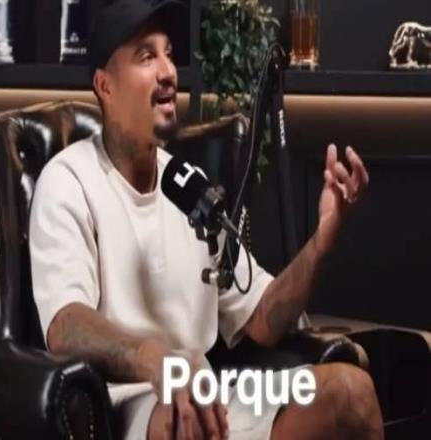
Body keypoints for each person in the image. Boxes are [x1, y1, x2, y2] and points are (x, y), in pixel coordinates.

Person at [29, 0, 384, 438]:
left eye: (169, 54)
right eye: (146, 56)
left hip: (213, 395)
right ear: (105, 85)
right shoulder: (68, 180)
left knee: (352, 392)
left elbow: (263, 318)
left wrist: (321, 242)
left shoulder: (188, 186)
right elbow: (65, 326)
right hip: (128, 403)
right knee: (185, 421)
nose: (168, 72)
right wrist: (154, 359)